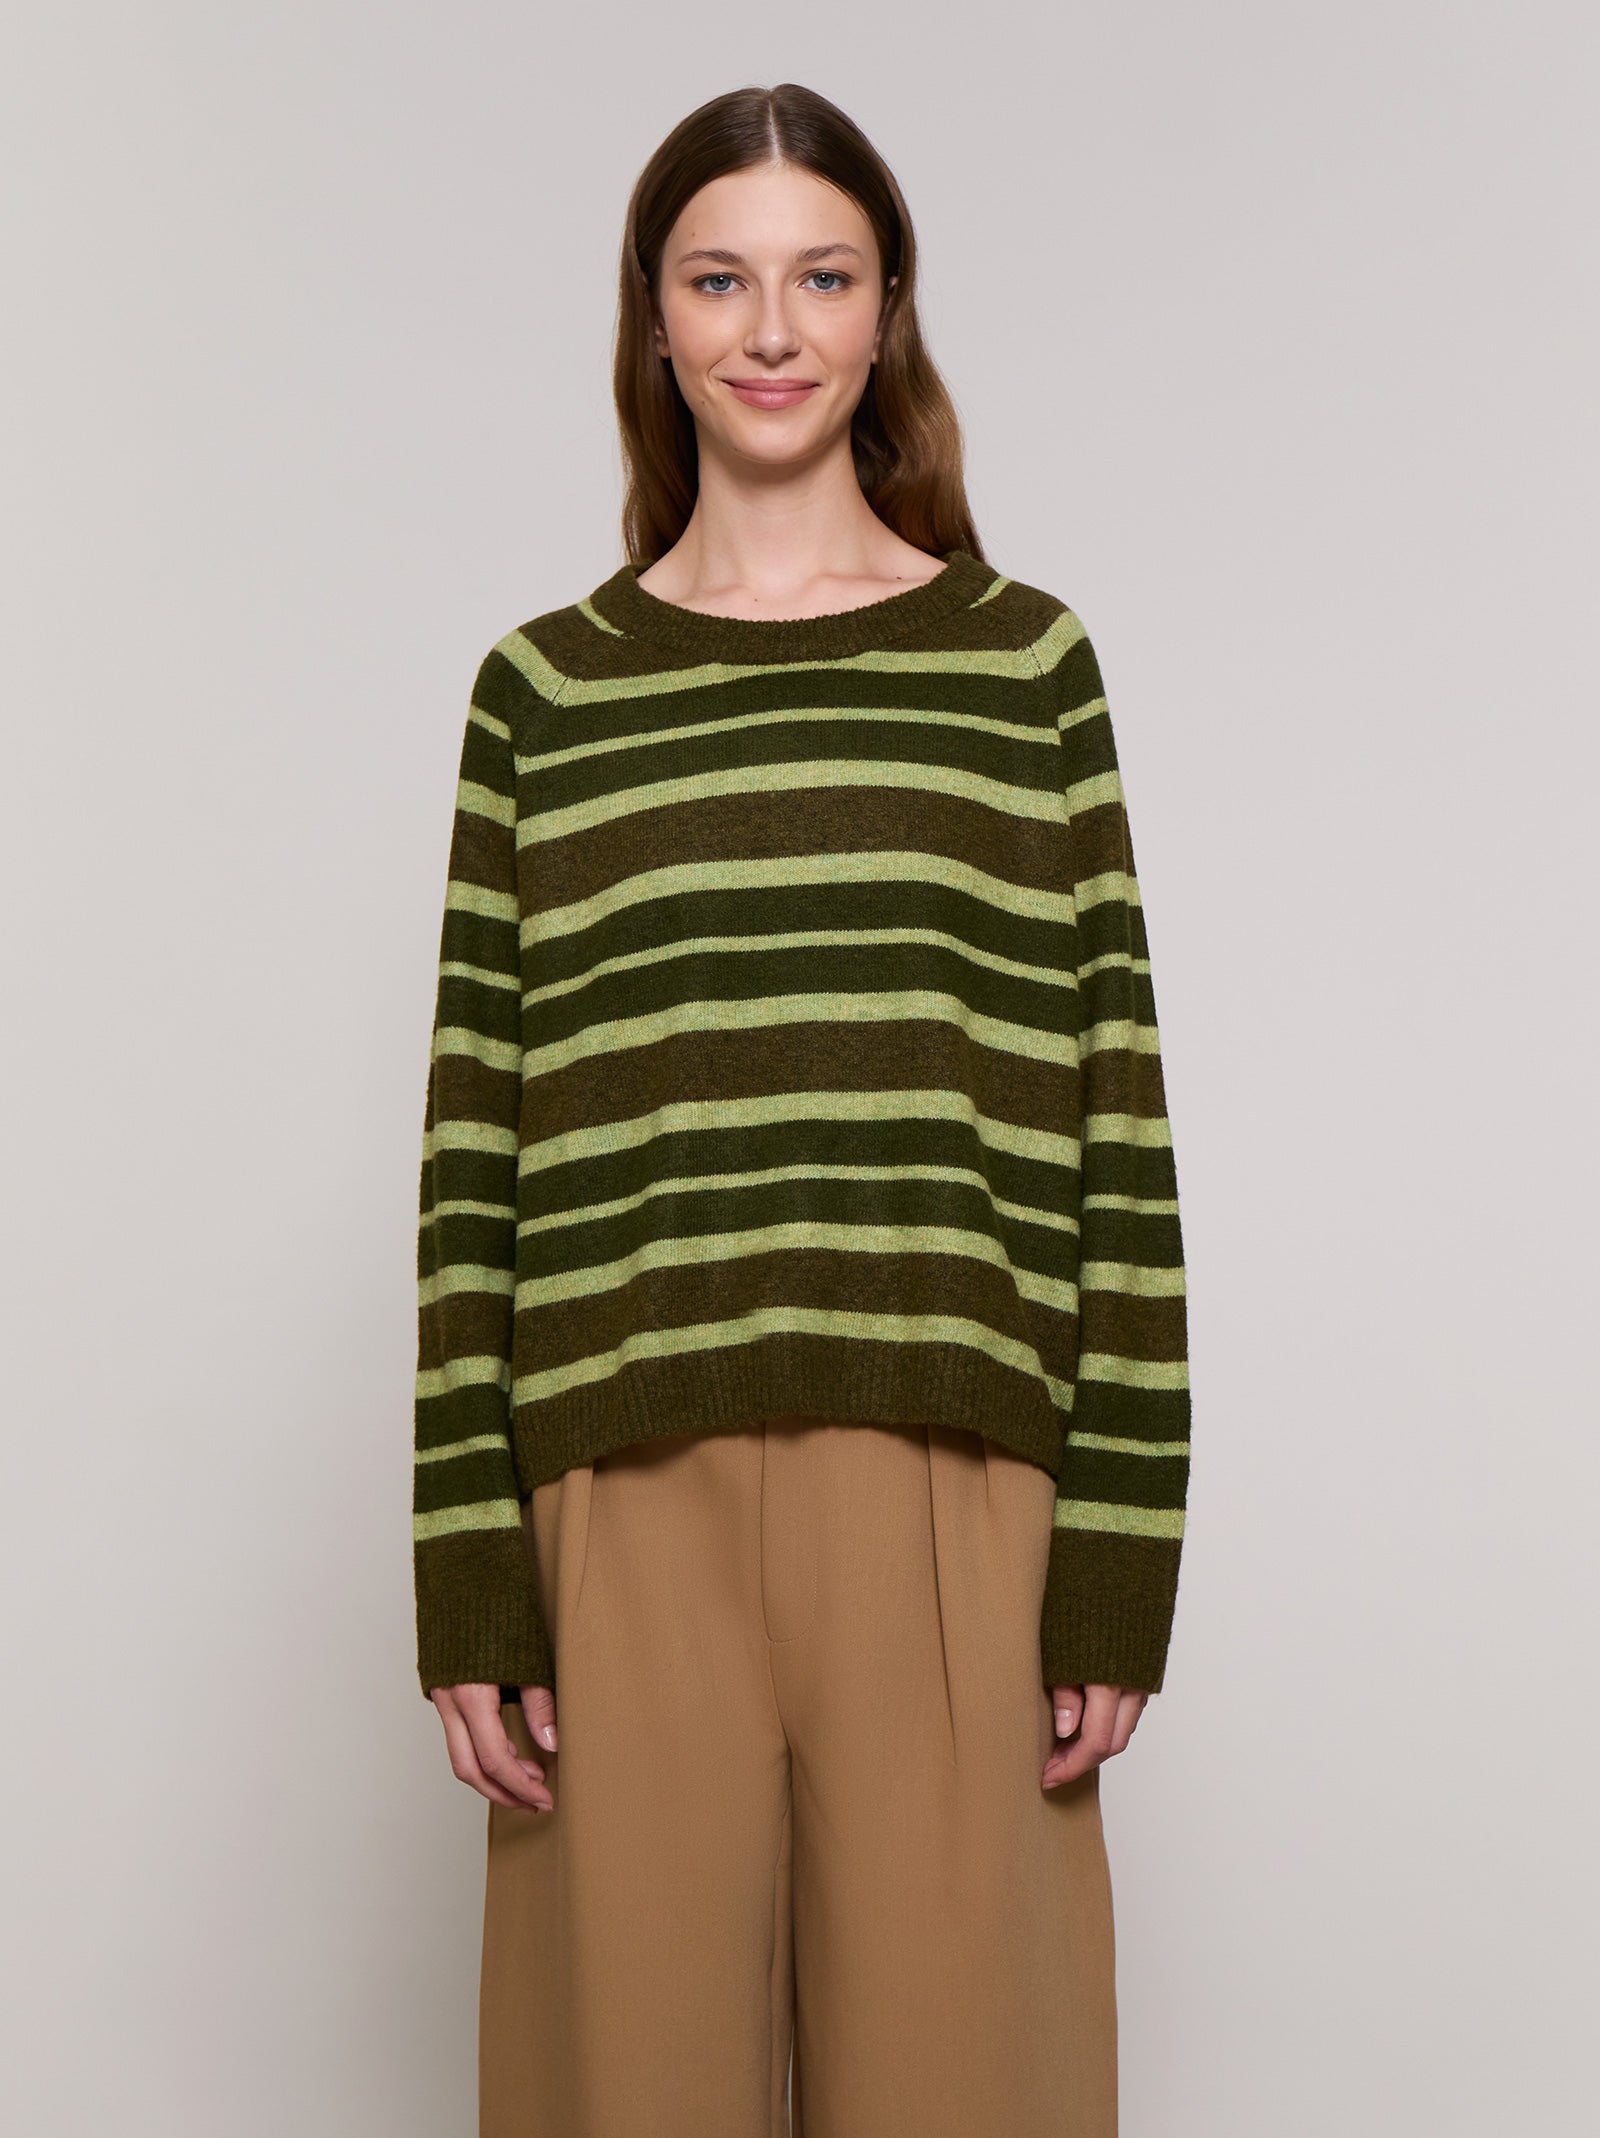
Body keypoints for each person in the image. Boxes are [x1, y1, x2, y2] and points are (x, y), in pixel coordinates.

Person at [411, 81, 1191, 2138]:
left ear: (885, 311)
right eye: (719, 279)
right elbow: (472, 1154)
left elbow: (1116, 1125)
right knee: (620, 2097)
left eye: (821, 277)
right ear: (652, 317)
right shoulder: (543, 695)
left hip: (951, 1495)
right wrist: (469, 1571)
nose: (771, 329)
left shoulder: (1020, 669)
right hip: (616, 1498)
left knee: (969, 2093)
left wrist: (1116, 1554)